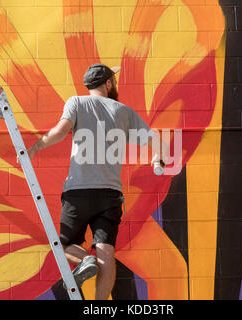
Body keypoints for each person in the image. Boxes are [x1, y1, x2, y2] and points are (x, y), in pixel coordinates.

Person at [27, 63, 166, 300]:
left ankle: (84, 260)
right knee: (106, 254)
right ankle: (100, 305)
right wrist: (156, 159)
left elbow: (61, 131)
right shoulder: (124, 111)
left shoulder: (77, 103)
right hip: (110, 194)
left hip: (78, 191)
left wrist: (35, 148)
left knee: (61, 246)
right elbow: (155, 139)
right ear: (109, 83)